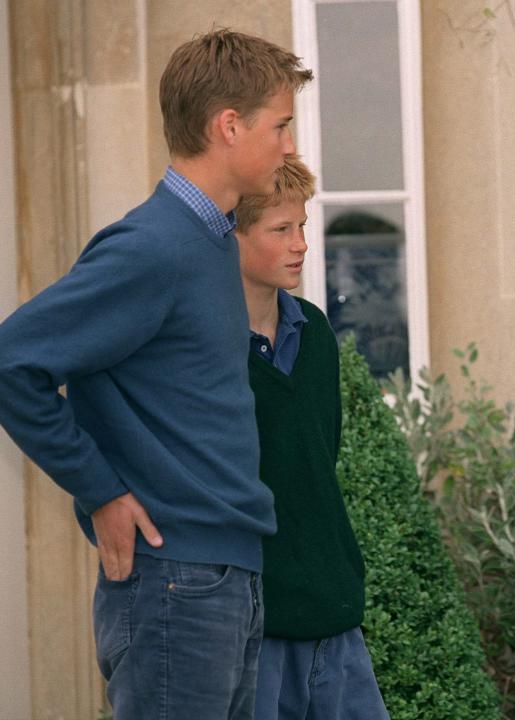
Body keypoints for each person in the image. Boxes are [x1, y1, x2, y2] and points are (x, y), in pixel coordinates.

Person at [0, 29, 312, 720]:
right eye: (281, 125)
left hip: (223, 579)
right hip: (176, 586)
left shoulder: (206, 243)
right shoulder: (153, 246)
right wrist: (101, 490)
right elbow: (13, 360)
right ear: (229, 126)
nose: (290, 145)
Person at [235, 156, 390, 720]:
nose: (301, 244)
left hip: (334, 611)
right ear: (233, 235)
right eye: (281, 230)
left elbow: (322, 460)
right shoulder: (204, 348)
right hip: (253, 626)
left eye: (302, 226)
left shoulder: (317, 331)